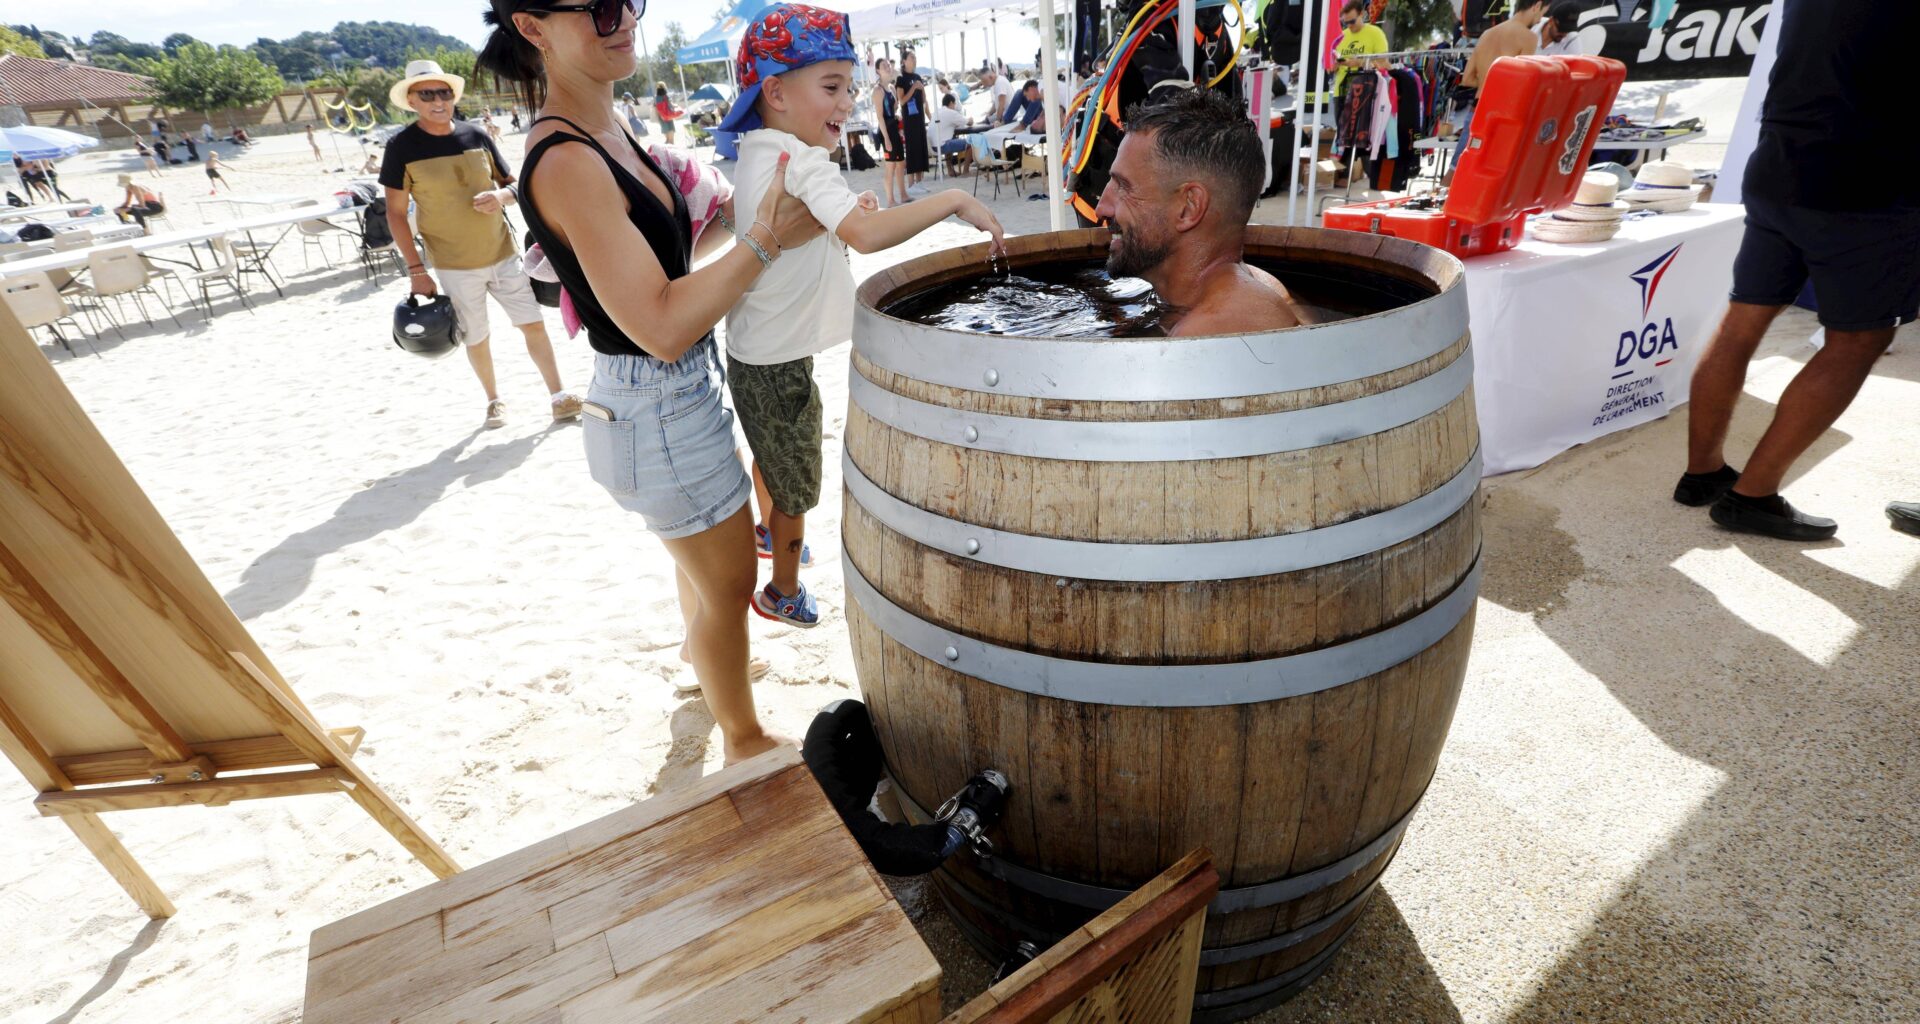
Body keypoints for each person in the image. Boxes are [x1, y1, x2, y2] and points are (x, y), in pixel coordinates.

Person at [482, 0, 823, 763]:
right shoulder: (567, 157)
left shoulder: (606, 129)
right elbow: (663, 323)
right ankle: (744, 737)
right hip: (656, 400)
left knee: (702, 571)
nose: (623, 20)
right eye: (597, 9)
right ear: (533, 27)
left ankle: (705, 668)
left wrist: (754, 209)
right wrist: (768, 237)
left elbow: (671, 258)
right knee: (730, 586)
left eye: (629, 2)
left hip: (659, 396)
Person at [718, 3, 1005, 629]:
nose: (847, 101)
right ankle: (782, 591)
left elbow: (821, 226)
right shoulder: (806, 161)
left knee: (772, 452)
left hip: (749, 347)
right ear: (775, 91)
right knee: (799, 486)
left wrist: (849, 214)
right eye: (831, 87)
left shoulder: (760, 151)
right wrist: (953, 199)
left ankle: (771, 535)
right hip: (778, 359)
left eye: (849, 86)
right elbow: (867, 236)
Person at [1678, 0, 1920, 541]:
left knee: (1743, 320)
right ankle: (1753, 496)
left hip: (1780, 162)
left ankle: (1702, 474)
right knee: (1860, 338)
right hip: (1863, 180)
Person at [379, 58, 580, 428]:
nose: (438, 100)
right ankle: (494, 401)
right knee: (477, 336)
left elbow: (516, 183)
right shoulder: (400, 147)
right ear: (411, 100)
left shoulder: (477, 135)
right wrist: (416, 271)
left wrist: (502, 197)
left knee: (532, 324)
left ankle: (558, 395)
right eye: (427, 94)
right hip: (453, 264)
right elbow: (394, 213)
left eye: (444, 92)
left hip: (504, 254)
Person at [1092, 89, 1304, 336]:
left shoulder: (1209, 332)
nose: (1101, 208)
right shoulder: (1257, 287)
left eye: (1124, 187)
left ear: (1188, 207)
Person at [1453, 1, 1547, 168]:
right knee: (1490, 172)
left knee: (1459, 167)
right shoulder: (1528, 37)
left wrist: (1484, 83)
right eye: (1542, 13)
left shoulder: (1487, 33)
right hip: (1502, 114)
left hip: (1477, 108)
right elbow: (1522, 85)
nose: (1540, 20)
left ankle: (1445, 194)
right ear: (1536, 6)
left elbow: (1466, 79)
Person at [873, 57, 908, 206]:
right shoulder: (877, 90)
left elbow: (893, 109)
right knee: (890, 166)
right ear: (877, 71)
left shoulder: (892, 88)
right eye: (883, 66)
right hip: (886, 131)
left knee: (901, 163)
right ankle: (890, 200)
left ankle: (903, 195)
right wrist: (886, 139)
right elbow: (880, 117)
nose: (887, 67)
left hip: (894, 128)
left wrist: (897, 115)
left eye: (888, 64)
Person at [894, 49, 930, 192]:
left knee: (921, 147)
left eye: (915, 57)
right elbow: (901, 101)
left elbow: (923, 100)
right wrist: (914, 87)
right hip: (909, 120)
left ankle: (920, 181)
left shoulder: (918, 76)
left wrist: (922, 89)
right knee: (912, 148)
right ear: (903, 61)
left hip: (919, 117)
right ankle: (911, 183)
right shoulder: (901, 78)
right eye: (911, 57)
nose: (914, 59)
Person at [933, 92, 971, 171]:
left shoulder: (936, 112)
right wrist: (971, 119)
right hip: (941, 146)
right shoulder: (950, 112)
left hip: (933, 146)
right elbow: (968, 122)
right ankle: (966, 171)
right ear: (951, 103)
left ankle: (950, 170)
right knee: (970, 143)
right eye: (954, 104)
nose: (954, 107)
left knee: (948, 140)